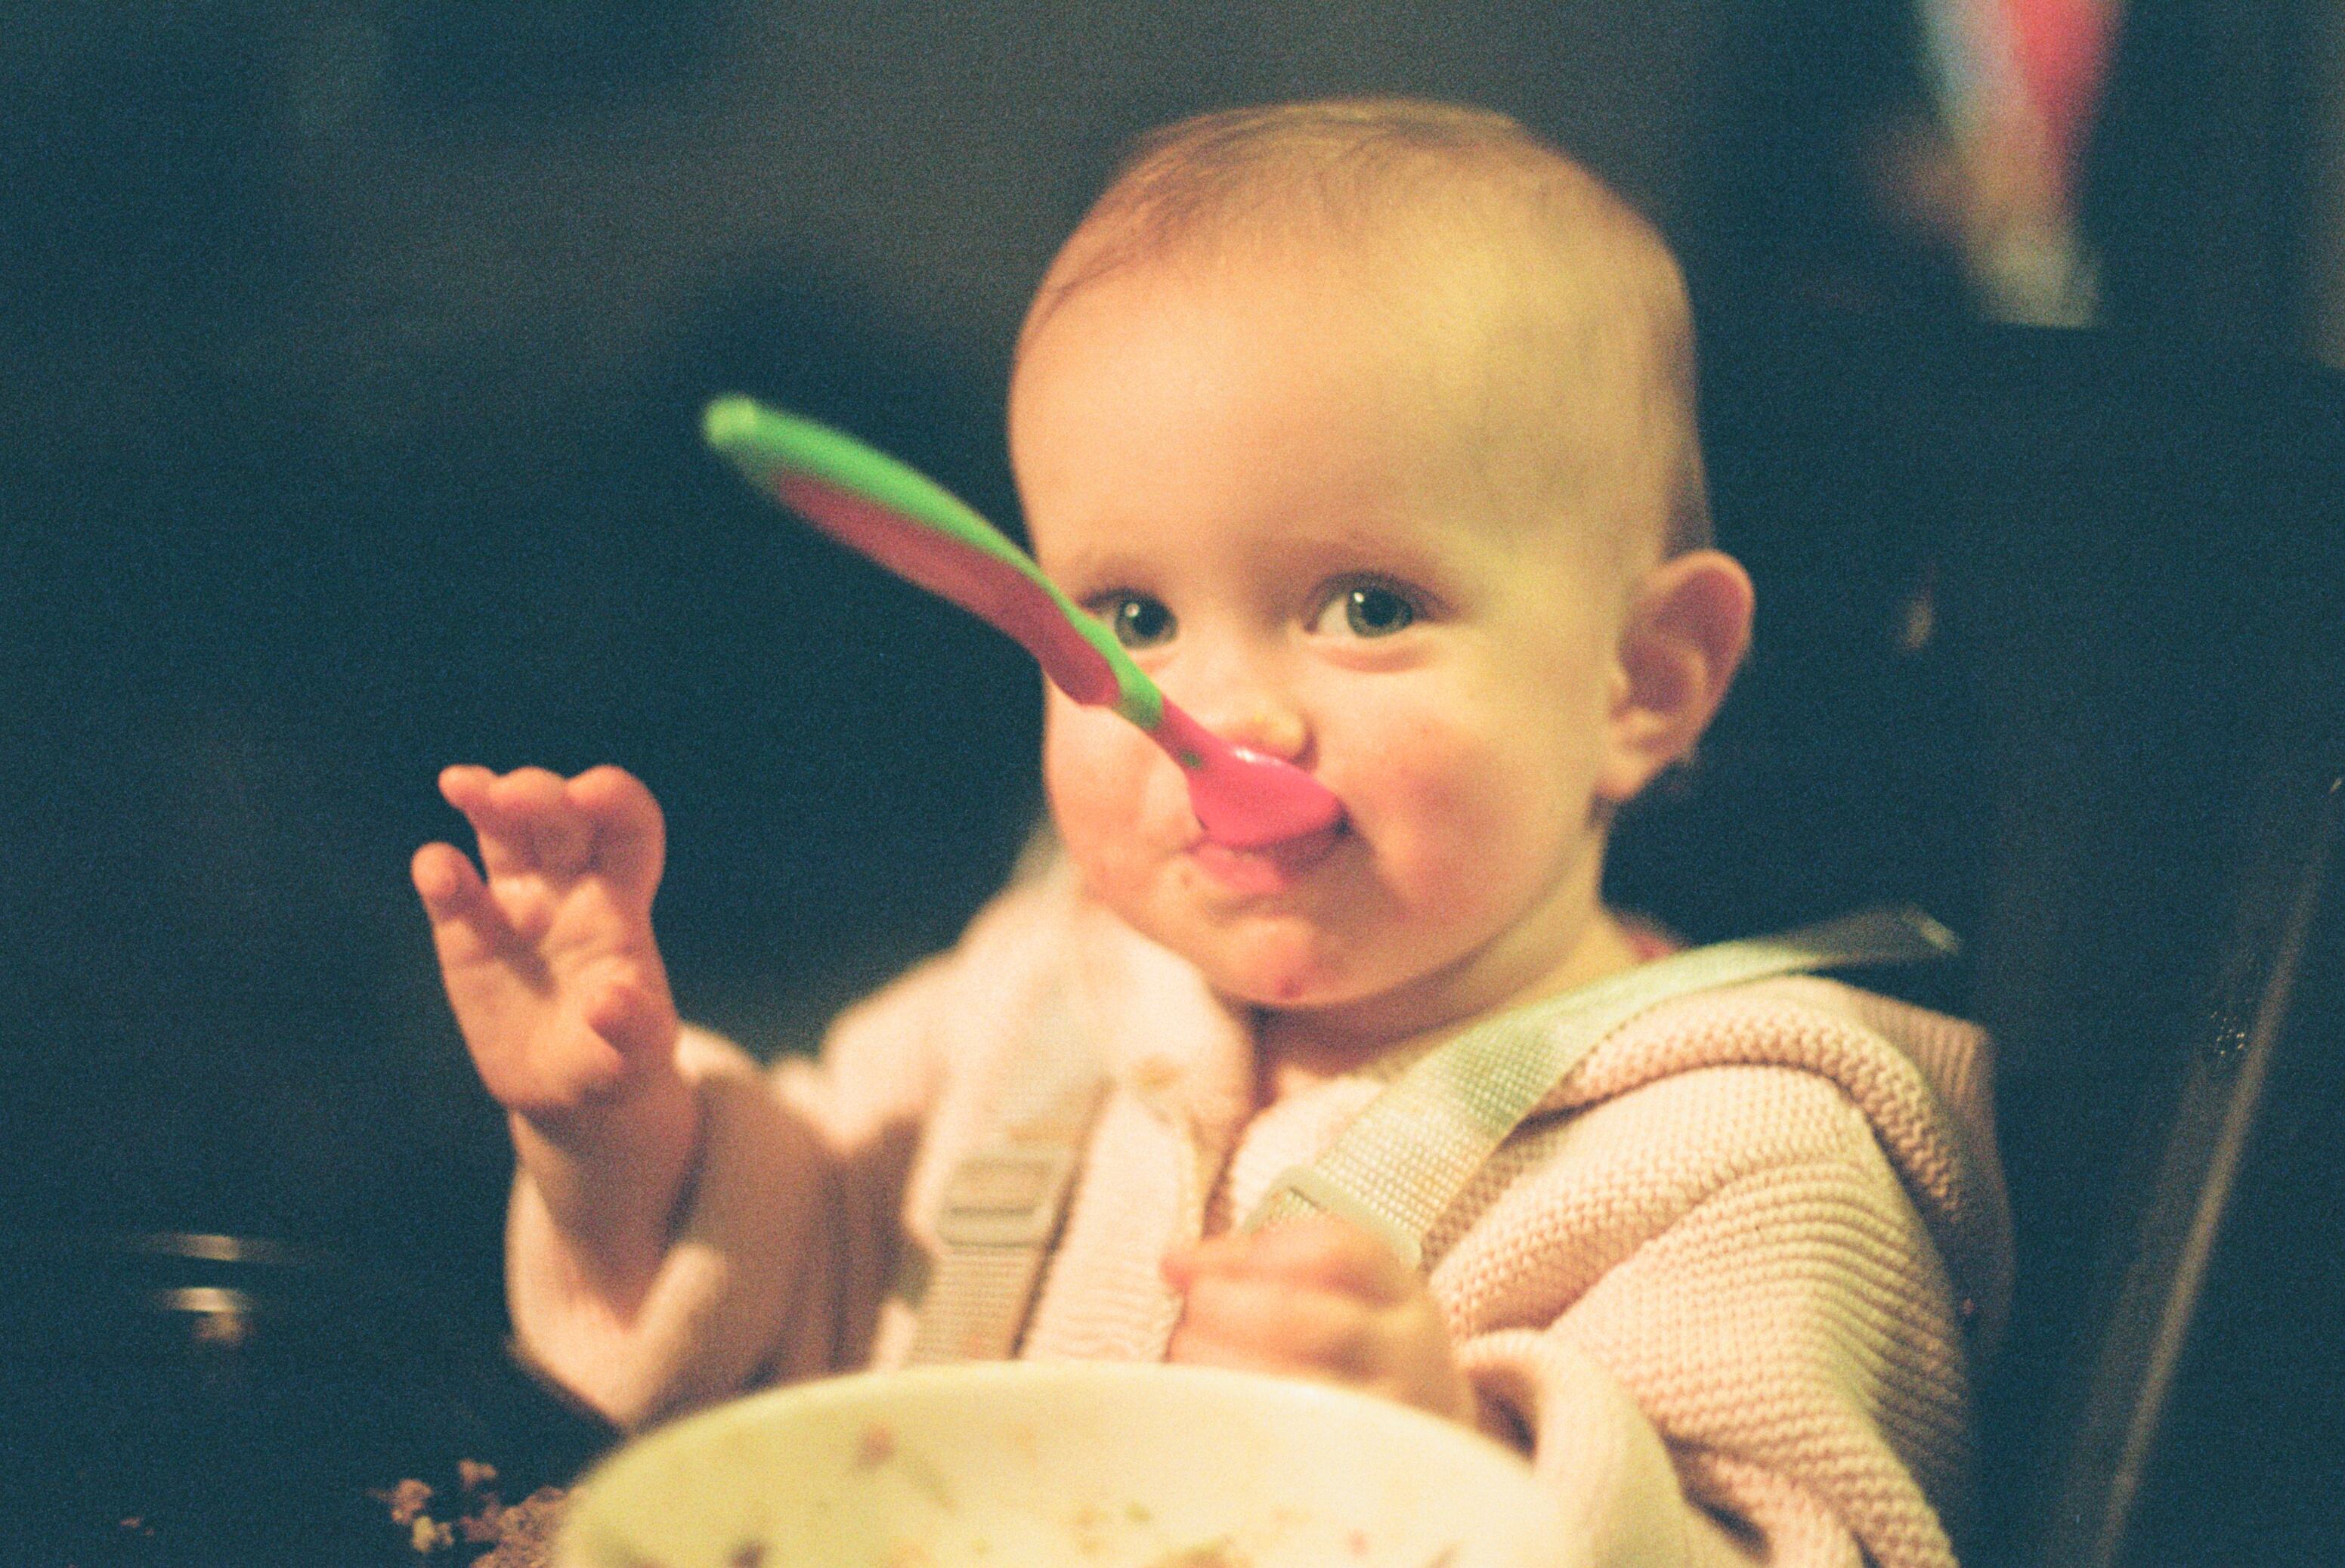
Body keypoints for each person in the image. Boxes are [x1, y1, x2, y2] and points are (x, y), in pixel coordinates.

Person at [413, 99, 2012, 1568]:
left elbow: (1802, 1541)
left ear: (1638, 682)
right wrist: (616, 1137)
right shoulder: (1038, 1005)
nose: (1228, 717)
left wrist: (1455, 1463)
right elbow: (789, 1290)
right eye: (1131, 614)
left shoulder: (1742, 1156)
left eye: (1366, 606)